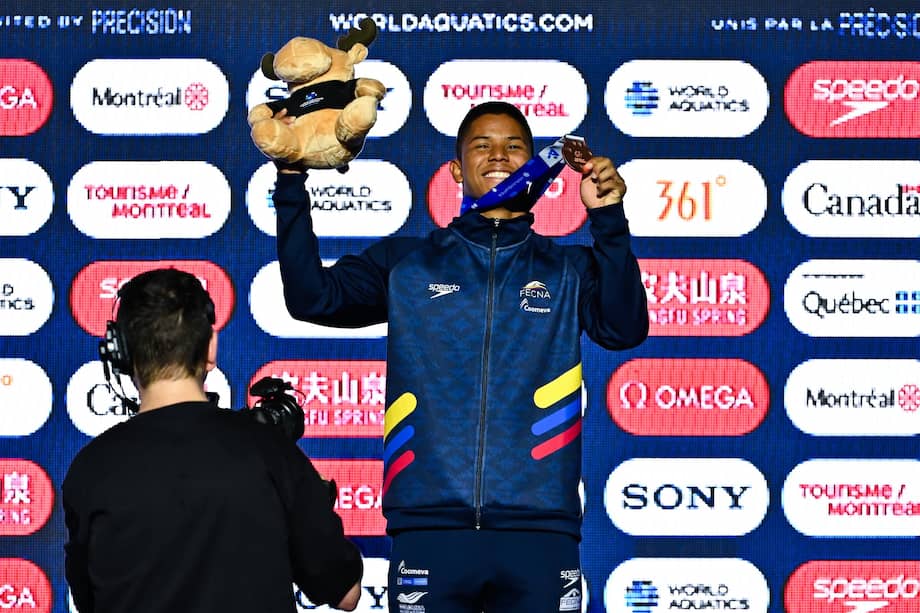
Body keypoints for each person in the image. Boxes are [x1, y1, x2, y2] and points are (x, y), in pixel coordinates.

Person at [272, 101, 648, 612]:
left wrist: (607, 219)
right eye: (482, 145)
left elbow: (624, 329)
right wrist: (291, 181)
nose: (500, 155)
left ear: (537, 164)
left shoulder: (567, 269)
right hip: (430, 531)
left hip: (541, 532)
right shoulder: (406, 264)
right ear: (455, 169)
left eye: (515, 146)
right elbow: (310, 297)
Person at [62, 268, 363, 613]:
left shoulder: (90, 469)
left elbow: (89, 601)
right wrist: (310, 504)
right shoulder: (268, 450)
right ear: (210, 347)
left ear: (121, 353)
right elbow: (346, 593)